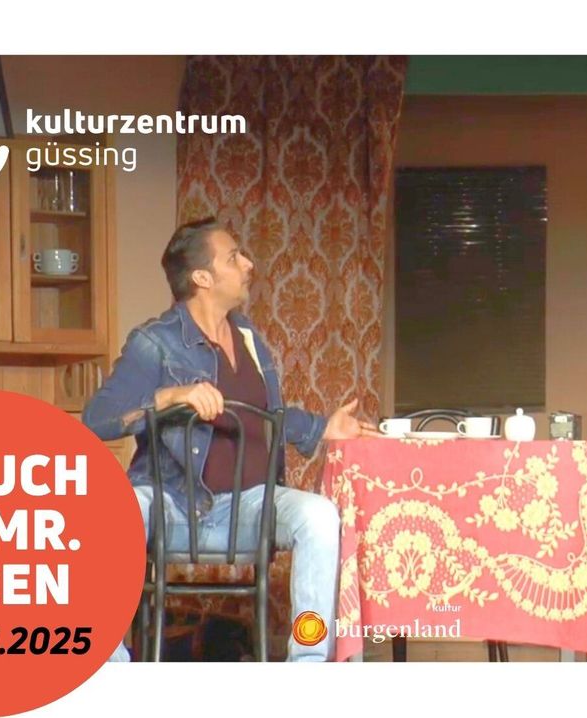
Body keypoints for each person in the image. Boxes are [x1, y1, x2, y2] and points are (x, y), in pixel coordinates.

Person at [84, 218, 380, 661]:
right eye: (234, 256)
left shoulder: (249, 339)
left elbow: (269, 417)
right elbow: (97, 420)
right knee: (114, 507)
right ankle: (111, 669)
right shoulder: (155, 343)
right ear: (202, 278)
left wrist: (323, 428)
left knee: (319, 516)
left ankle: (310, 663)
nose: (249, 264)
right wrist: (167, 397)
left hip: (250, 508)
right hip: (175, 509)